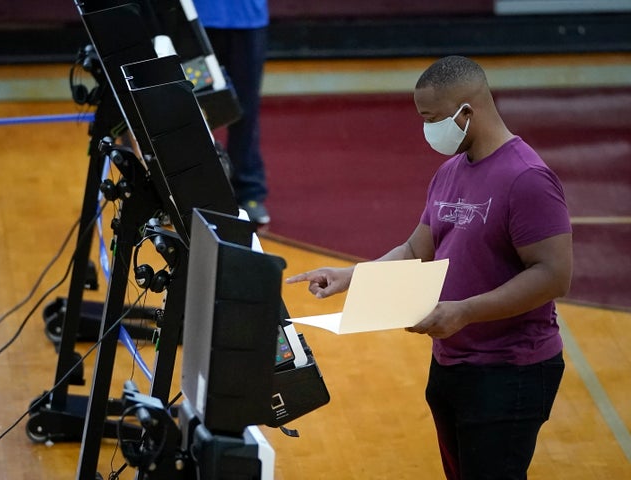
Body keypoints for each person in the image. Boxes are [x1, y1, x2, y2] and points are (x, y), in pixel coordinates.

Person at [286, 55, 573, 480]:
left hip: (510, 371)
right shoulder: (449, 172)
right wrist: (354, 276)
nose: (426, 131)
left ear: (467, 112)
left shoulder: (527, 178)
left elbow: (554, 275)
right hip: (452, 362)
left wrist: (465, 311)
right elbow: (415, 248)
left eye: (432, 119)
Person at [194, 0, 271, 224]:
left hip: (247, 19)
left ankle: (248, 192)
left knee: (244, 109)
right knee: (192, 108)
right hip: (196, 19)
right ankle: (189, 190)